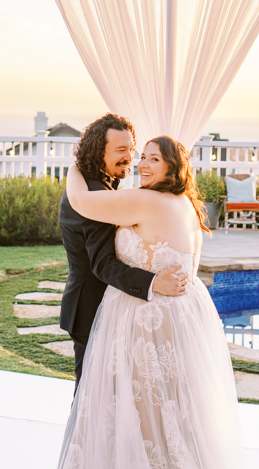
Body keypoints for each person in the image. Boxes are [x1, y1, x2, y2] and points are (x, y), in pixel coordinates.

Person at [46, 133, 259, 469]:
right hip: (182, 314)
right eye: (140, 156)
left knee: (144, 411)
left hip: (150, 316)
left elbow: (83, 203)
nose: (141, 164)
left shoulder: (146, 201)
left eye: (152, 158)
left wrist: (74, 163)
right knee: (175, 408)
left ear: (173, 167)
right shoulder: (187, 205)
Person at [58, 113, 184, 390]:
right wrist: (153, 282)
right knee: (90, 395)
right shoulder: (92, 195)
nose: (130, 157)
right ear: (97, 151)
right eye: (120, 151)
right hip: (91, 307)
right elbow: (102, 264)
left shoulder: (97, 184)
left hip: (108, 305)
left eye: (131, 149)